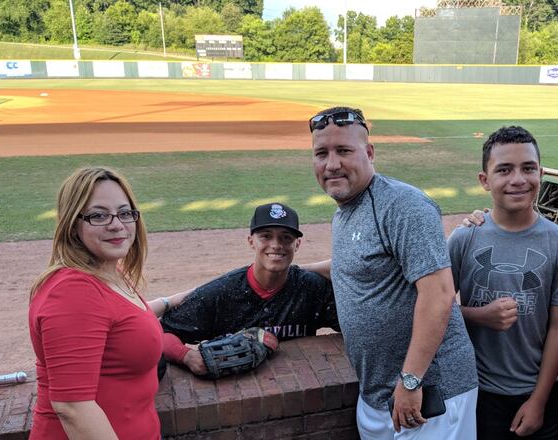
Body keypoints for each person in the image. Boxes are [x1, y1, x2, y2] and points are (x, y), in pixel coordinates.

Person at [310, 106, 478, 439]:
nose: (332, 164)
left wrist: (411, 380)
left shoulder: (403, 205)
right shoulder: (344, 213)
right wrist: (291, 271)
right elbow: (356, 264)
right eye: (321, 153)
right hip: (377, 395)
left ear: (369, 153)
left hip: (429, 395)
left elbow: (440, 293)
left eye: (344, 151)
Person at [447, 126, 558, 439]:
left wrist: (539, 400)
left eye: (528, 168)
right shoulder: (464, 238)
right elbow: (433, 310)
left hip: (535, 391)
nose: (518, 179)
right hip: (475, 392)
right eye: (504, 170)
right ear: (484, 180)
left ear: (540, 173)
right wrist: (479, 316)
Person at [28, 167, 163, 439]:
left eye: (125, 213)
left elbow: (118, 322)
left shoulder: (108, 272)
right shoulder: (72, 292)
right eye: (99, 215)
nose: (117, 224)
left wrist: (171, 301)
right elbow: (72, 407)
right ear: (73, 224)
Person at [159, 202, 340, 376]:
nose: (276, 245)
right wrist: (187, 356)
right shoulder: (221, 292)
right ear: (251, 241)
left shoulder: (313, 288)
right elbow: (161, 331)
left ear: (297, 244)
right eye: (266, 236)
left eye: (286, 237)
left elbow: (355, 323)